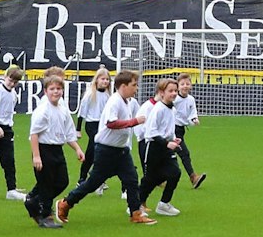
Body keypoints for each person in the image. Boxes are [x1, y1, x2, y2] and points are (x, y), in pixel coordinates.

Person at [56, 70, 154, 226]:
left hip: (121, 150)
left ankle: (135, 213)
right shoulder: (114, 101)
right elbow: (111, 123)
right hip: (106, 150)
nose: (137, 88)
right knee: (93, 183)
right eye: (134, 85)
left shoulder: (127, 101)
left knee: (132, 179)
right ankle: (66, 203)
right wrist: (134, 121)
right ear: (123, 86)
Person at [27, 67, 84, 229]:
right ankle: (46, 215)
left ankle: (34, 201)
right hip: (44, 149)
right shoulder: (43, 110)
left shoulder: (62, 110)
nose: (56, 92)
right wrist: (36, 156)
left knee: (62, 182)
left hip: (57, 150)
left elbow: (68, 133)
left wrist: (77, 149)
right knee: (46, 184)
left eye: (59, 89)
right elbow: (34, 134)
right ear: (46, 91)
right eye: (52, 89)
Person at [136, 77, 184, 217]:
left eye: (175, 91)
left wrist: (173, 139)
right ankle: (136, 204)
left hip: (166, 147)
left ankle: (164, 204)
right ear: (162, 93)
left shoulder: (172, 109)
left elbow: (168, 128)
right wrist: (166, 143)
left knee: (175, 173)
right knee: (151, 178)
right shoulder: (158, 109)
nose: (174, 93)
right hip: (154, 148)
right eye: (171, 91)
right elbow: (150, 132)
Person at [73, 66, 113, 193]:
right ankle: (82, 178)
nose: (105, 81)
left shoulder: (108, 96)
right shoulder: (90, 94)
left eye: (107, 79)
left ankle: (97, 178)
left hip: (103, 125)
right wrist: (78, 129)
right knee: (93, 151)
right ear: (97, 80)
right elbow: (82, 112)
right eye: (103, 79)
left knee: (100, 152)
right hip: (92, 124)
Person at [0, 65, 24, 200]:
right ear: (5, 77)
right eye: (10, 80)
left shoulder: (13, 94)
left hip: (7, 130)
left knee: (9, 160)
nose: (12, 84)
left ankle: (11, 189)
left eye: (15, 82)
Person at [172, 72, 206, 190]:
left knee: (166, 154)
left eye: (187, 84)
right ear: (178, 86)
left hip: (181, 130)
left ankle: (155, 177)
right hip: (172, 129)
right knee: (184, 153)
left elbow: (192, 113)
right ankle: (193, 177)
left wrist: (194, 119)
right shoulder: (174, 99)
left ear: (191, 85)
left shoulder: (191, 99)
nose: (185, 86)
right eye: (182, 84)